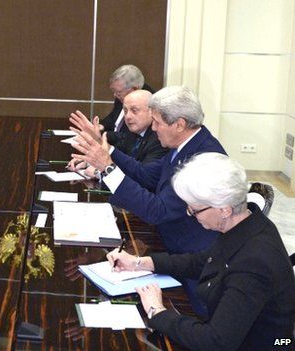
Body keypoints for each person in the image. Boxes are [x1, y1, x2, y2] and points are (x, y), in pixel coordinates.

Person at [107, 153, 295, 351]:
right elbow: (201, 261)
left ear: (224, 209)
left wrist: (157, 312)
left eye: (195, 210)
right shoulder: (246, 223)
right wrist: (139, 262)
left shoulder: (254, 262)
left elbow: (215, 342)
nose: (190, 214)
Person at [71, 86, 226, 315]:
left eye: (157, 123)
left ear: (179, 124)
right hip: (171, 245)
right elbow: (145, 175)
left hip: (193, 266)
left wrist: (108, 168)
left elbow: (158, 211)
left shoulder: (201, 157)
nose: (153, 129)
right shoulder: (184, 145)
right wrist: (107, 150)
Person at [68, 90, 168, 174]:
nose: (127, 116)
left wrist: (100, 171)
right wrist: (91, 160)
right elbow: (120, 157)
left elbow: (142, 175)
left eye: (134, 110)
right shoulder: (131, 133)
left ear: (152, 111)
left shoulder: (160, 138)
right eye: (125, 111)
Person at [100, 64, 153, 134]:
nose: (115, 95)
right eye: (114, 91)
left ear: (134, 89)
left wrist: (102, 135)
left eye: (118, 92)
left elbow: (127, 137)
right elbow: (113, 117)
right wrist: (100, 126)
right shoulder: (122, 96)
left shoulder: (147, 102)